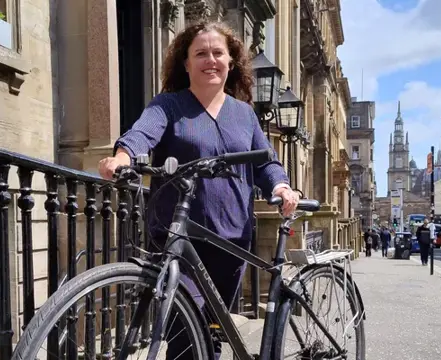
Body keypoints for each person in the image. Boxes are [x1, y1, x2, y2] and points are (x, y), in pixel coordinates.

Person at [97, 21, 300, 359]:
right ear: (186, 63)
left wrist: (281, 186)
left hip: (231, 236)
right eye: (201, 53)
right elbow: (143, 132)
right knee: (183, 328)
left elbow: (266, 163)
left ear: (230, 61)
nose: (210, 60)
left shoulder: (245, 114)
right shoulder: (169, 105)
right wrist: (122, 155)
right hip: (177, 235)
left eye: (218, 53)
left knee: (211, 331)